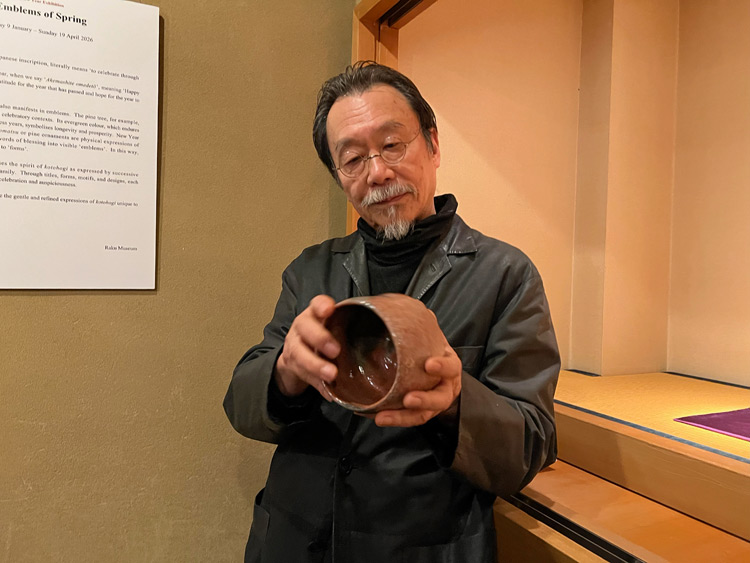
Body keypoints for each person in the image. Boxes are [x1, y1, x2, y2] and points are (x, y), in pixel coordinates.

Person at [224, 61, 560, 563]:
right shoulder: (311, 270)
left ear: (433, 145)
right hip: (295, 542)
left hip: (422, 548)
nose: (377, 172)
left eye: (392, 145)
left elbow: (531, 446)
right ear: (339, 177)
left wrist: (455, 402)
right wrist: (286, 372)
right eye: (352, 159)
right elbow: (240, 405)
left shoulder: (504, 275)